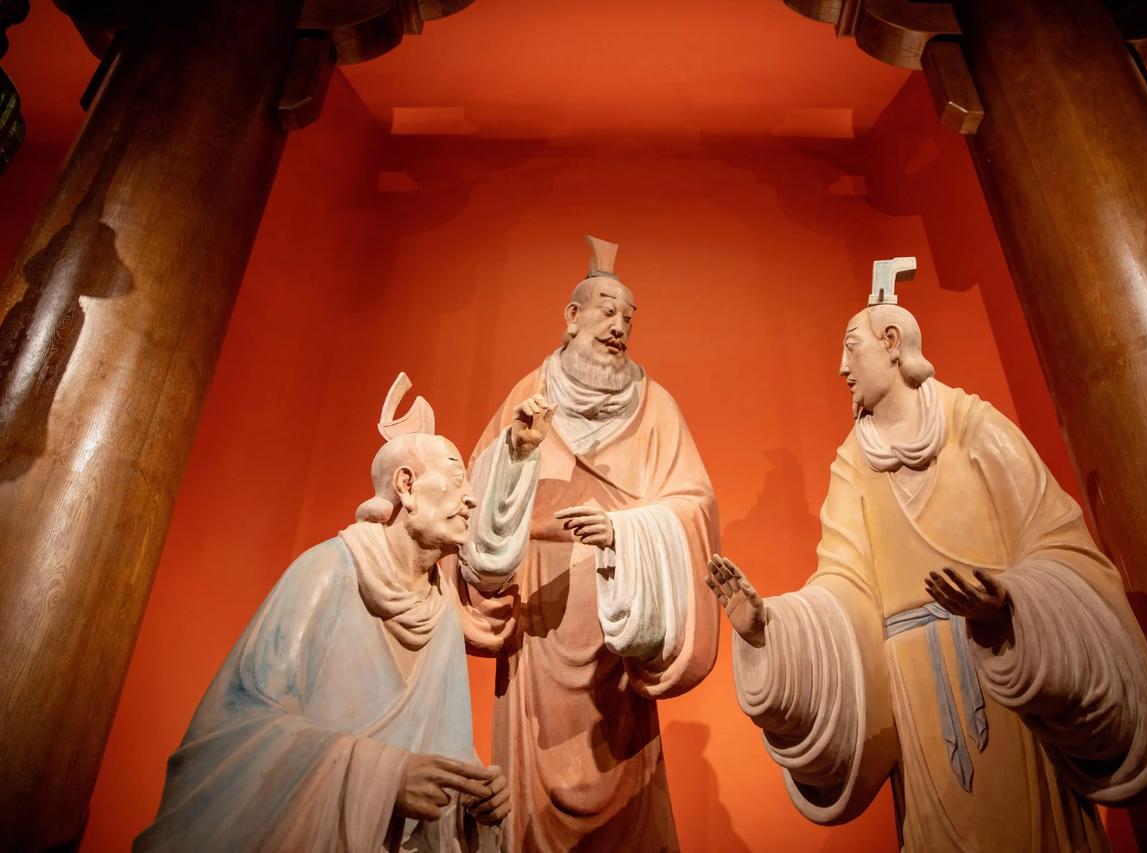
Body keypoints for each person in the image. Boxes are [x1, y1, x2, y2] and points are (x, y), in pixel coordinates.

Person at [706, 261, 1147, 852]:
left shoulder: (973, 426)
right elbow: (842, 590)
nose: (842, 367)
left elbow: (1057, 544)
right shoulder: (853, 463)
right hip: (916, 693)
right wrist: (772, 629)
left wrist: (1011, 602)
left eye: (851, 347)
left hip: (1001, 660)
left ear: (891, 342)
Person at [136, 373, 552, 852]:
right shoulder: (328, 572)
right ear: (406, 486)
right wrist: (384, 777)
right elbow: (238, 731)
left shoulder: (440, 617)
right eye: (458, 481)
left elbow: (446, 754)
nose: (472, 499)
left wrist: (473, 793)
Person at [455, 236, 719, 851]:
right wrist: (517, 453)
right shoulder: (529, 396)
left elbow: (695, 505)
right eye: (606, 311)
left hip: (619, 612)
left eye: (628, 317)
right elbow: (471, 500)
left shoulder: (656, 406)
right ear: (572, 317)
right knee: (531, 785)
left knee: (622, 784)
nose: (619, 326)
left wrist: (627, 532)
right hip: (539, 615)